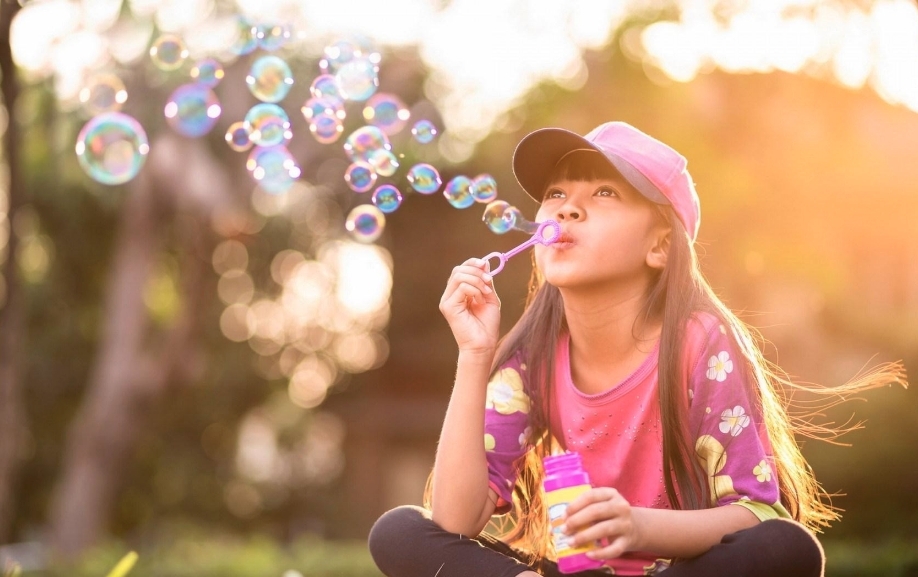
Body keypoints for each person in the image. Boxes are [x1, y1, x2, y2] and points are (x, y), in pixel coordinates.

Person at [367, 121, 906, 576]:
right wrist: (474, 355)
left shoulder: (699, 343)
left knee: (788, 549)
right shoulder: (530, 356)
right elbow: (456, 521)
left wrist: (636, 526)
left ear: (660, 245)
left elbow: (756, 516)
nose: (566, 210)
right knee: (398, 531)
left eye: (603, 193)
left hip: (671, 570)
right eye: (556, 194)